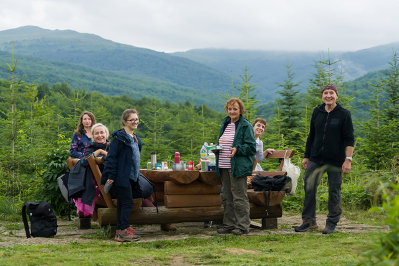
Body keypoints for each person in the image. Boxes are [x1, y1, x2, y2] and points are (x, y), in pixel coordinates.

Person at [294, 84, 354, 234]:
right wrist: (306, 156)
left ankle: (331, 223)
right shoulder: (317, 112)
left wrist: (348, 160)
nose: (328, 95)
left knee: (334, 190)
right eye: (326, 93)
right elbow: (311, 136)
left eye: (331, 93)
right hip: (316, 158)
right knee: (309, 187)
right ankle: (309, 221)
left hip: (335, 160)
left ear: (336, 96)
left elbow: (349, 139)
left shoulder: (344, 114)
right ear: (322, 96)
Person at [215, 98, 256, 236]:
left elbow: (251, 147)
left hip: (238, 166)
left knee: (239, 196)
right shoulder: (225, 123)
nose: (232, 111)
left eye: (235, 109)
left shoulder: (245, 125)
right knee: (227, 196)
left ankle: (242, 226)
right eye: (230, 109)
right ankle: (229, 224)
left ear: (241, 110)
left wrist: (237, 149)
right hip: (224, 165)